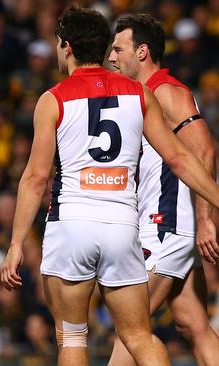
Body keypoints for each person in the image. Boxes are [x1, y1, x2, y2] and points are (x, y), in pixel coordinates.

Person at [0, 6, 219, 366]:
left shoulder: (53, 99)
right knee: (138, 335)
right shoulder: (139, 94)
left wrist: (16, 243)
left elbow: (36, 177)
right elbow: (181, 158)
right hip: (123, 225)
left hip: (72, 224)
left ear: (66, 47)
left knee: (72, 337)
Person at [107, 14, 219, 366]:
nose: (111, 56)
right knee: (193, 325)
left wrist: (205, 221)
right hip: (168, 224)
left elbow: (204, 150)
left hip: (167, 225)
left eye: (118, 48)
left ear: (142, 52)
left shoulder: (166, 91)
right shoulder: (143, 94)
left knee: (131, 328)